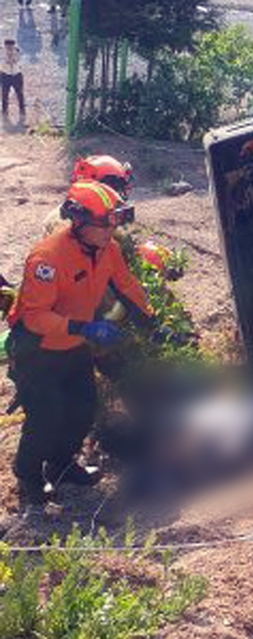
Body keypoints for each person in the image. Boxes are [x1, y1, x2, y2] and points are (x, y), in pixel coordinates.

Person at [5, 180, 155, 508]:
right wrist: (84, 327)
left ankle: (61, 464)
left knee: (83, 409)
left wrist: (151, 319)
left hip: (73, 345)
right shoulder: (47, 258)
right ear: (80, 222)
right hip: (37, 349)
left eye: (113, 221)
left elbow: (127, 285)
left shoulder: (107, 249)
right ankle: (28, 476)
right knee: (46, 416)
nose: (110, 229)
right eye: (104, 223)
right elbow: (34, 318)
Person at [1, 38, 26, 120]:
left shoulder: (18, 51)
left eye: (11, 46)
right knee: (5, 94)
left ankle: (22, 110)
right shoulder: (1, 52)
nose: (10, 48)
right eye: (8, 46)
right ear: (5, 46)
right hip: (5, 75)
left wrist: (13, 58)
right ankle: (4, 110)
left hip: (16, 75)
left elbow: (20, 61)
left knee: (20, 94)